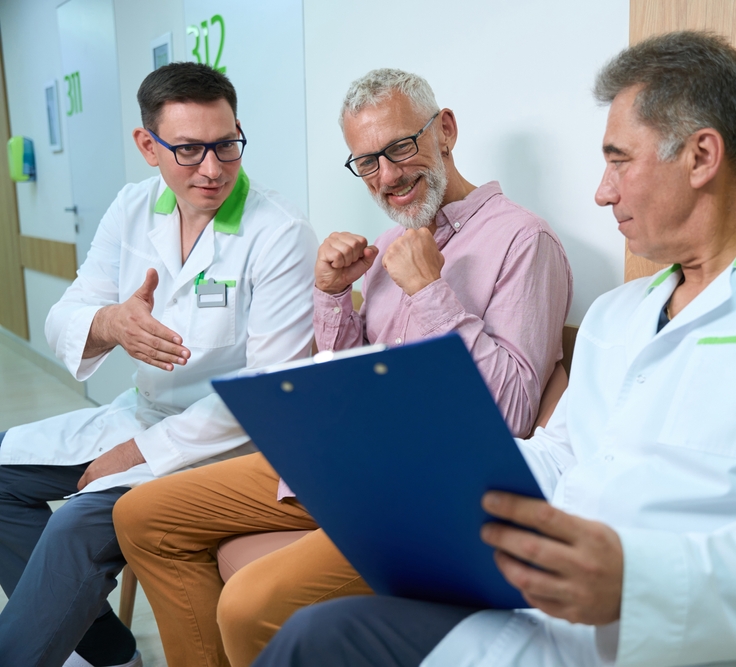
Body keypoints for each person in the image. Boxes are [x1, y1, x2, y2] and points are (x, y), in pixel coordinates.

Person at [254, 31, 736, 667]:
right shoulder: (620, 315)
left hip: (683, 638)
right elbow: (566, 454)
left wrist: (641, 582)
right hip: (550, 619)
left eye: (617, 161)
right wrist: (424, 471)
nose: (601, 191)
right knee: (315, 634)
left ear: (701, 156)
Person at [113, 68, 573, 667]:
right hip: (348, 456)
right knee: (141, 514)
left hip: (429, 488)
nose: (388, 176)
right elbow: (340, 378)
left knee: (248, 604)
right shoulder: (388, 243)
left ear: (446, 132)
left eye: (401, 147)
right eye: (367, 162)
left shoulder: (522, 241)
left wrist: (432, 291)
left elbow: (510, 417)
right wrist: (331, 293)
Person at [0, 62, 317, 667]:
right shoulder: (132, 208)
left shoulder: (277, 234)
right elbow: (68, 311)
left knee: (77, 530)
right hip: (140, 416)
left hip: (226, 444)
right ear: (148, 146)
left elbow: (265, 393)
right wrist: (110, 323)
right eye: (189, 149)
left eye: (226, 145)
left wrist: (139, 455)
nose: (213, 168)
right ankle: (107, 651)